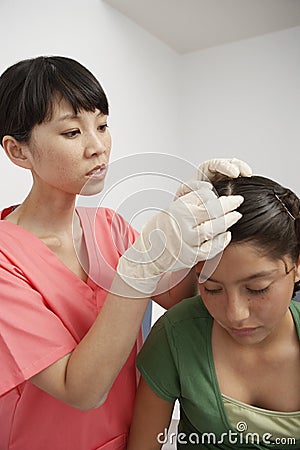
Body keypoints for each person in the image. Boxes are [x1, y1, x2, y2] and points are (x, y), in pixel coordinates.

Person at [0, 55, 251, 450]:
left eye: (102, 126)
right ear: (18, 152)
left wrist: (190, 217)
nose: (97, 147)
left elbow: (175, 296)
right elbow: (80, 390)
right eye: (71, 133)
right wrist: (139, 266)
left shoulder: (109, 226)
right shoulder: (5, 261)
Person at [128, 175, 300, 450]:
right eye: (212, 289)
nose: (235, 314)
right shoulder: (176, 335)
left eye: (257, 288)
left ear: (297, 264)